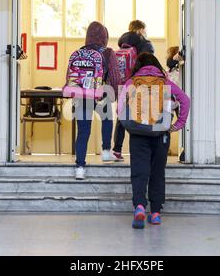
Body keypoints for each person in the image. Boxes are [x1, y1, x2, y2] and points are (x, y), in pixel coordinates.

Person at [118, 53, 190, 229]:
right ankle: (156, 213)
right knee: (157, 172)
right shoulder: (165, 83)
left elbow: (120, 108)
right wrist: (177, 125)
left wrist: (128, 123)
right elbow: (185, 100)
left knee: (139, 171)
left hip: (138, 133)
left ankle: (140, 207)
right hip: (161, 134)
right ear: (156, 65)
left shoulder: (131, 82)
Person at [72, 22, 120, 180]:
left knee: (83, 132)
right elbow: (114, 77)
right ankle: (106, 152)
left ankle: (80, 167)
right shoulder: (108, 52)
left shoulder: (80, 52)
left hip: (81, 95)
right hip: (101, 93)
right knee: (107, 119)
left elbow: (74, 77)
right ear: (104, 36)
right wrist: (114, 94)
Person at [112, 20, 155, 161]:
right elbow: (149, 63)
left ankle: (117, 150)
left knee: (122, 116)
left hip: (123, 84)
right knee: (141, 116)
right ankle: (139, 151)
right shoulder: (145, 44)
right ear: (141, 29)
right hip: (139, 83)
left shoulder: (122, 44)